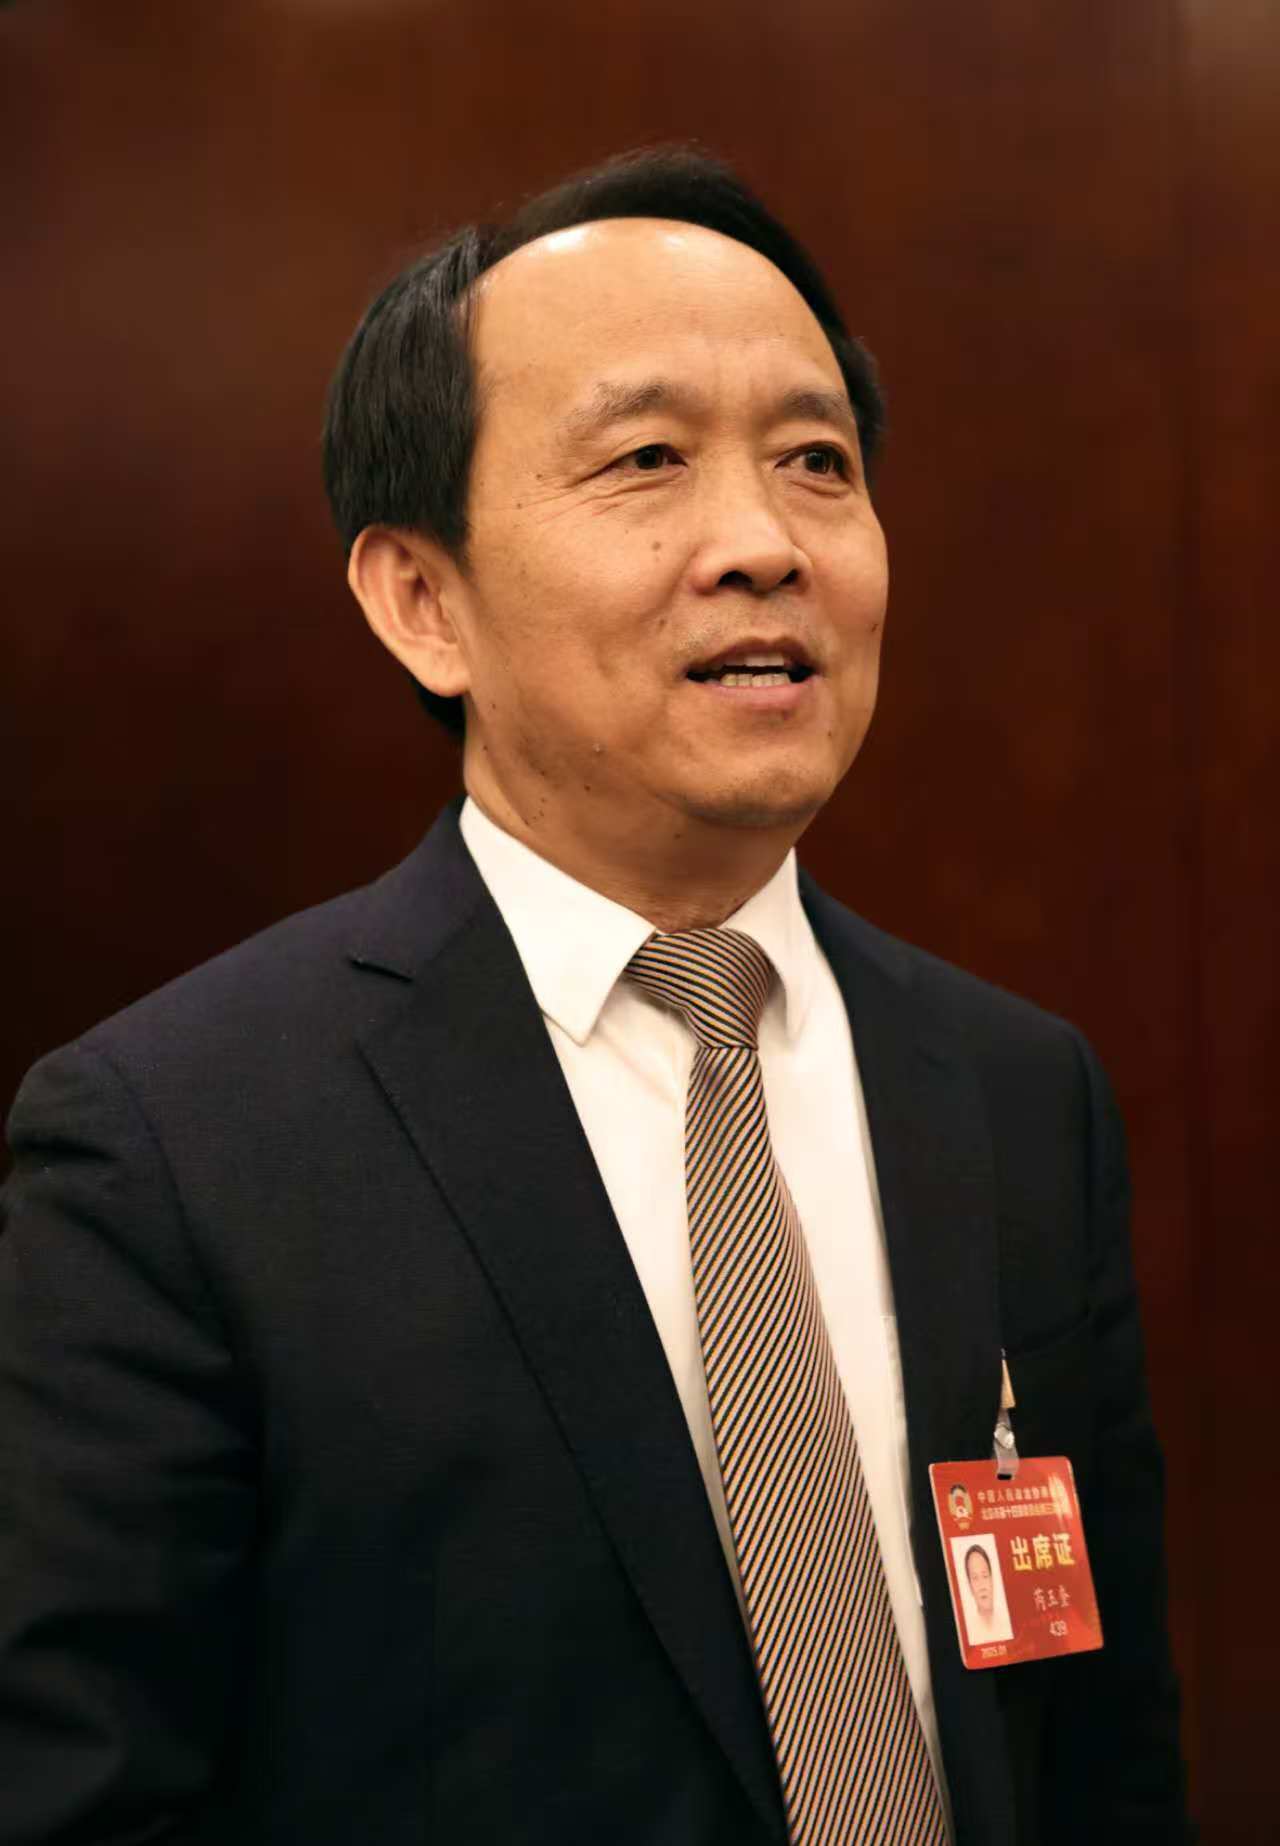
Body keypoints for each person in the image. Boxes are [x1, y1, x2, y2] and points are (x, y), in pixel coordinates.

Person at [0, 147, 1191, 1845]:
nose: (764, 544)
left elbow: (1102, 1744)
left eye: (817, 462)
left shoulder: (1017, 1092)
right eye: (648, 459)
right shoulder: (175, 1148)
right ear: (424, 600)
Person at [961, 1544, 1012, 1646]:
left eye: (985, 1576)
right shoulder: (968, 1632)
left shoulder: (1007, 1624)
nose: (982, 1586)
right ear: (970, 1586)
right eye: (975, 1578)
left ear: (992, 1579)